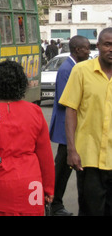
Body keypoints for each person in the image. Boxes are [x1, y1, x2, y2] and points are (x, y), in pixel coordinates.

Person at [0, 60, 54, 216]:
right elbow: (45, 156)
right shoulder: (35, 111)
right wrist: (48, 189)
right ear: (22, 84)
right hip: (30, 186)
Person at [59, 27, 112, 216]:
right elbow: (71, 110)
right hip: (89, 159)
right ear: (98, 46)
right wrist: (72, 150)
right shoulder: (81, 71)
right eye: (107, 44)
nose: (111, 49)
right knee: (91, 211)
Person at [49, 35, 91, 216]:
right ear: (77, 50)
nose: (89, 52)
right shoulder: (68, 69)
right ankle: (54, 204)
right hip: (67, 130)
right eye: (86, 48)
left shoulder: (75, 67)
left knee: (66, 169)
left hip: (72, 130)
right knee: (62, 170)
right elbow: (65, 101)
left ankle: (55, 203)